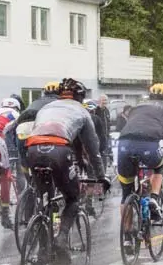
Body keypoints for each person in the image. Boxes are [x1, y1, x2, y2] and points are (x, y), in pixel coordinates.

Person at [22, 77, 106, 253]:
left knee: (45, 197)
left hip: (33, 149)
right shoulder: (83, 112)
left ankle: (43, 244)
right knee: (72, 198)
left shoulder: (46, 108)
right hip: (59, 150)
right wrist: (100, 175)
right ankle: (60, 239)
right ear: (80, 98)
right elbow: (93, 149)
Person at [116, 82, 163, 221]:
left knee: (126, 193)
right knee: (158, 167)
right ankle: (153, 198)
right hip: (148, 143)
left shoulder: (138, 106)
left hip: (123, 143)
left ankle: (127, 237)